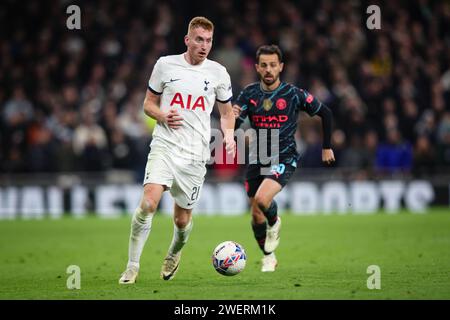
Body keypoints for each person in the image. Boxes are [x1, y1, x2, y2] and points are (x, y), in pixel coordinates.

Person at [119, 16, 236, 284]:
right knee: (148, 202)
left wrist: (228, 135)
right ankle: (132, 266)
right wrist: (162, 116)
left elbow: (227, 112)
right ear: (187, 40)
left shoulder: (218, 73)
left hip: (195, 154)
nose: (204, 45)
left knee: (182, 221)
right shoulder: (165, 64)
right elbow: (148, 104)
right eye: (198, 39)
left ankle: (174, 252)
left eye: (208, 40)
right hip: (165, 145)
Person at [232, 45, 335, 272]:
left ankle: (276, 221)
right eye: (264, 65)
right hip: (257, 157)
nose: (269, 70)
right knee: (256, 215)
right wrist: (232, 129)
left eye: (273, 65)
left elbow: (325, 112)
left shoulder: (293, 94)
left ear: (281, 67)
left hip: (284, 157)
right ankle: (269, 256)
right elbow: (236, 122)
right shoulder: (249, 94)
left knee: (262, 200)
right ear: (258, 68)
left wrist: (326, 147)